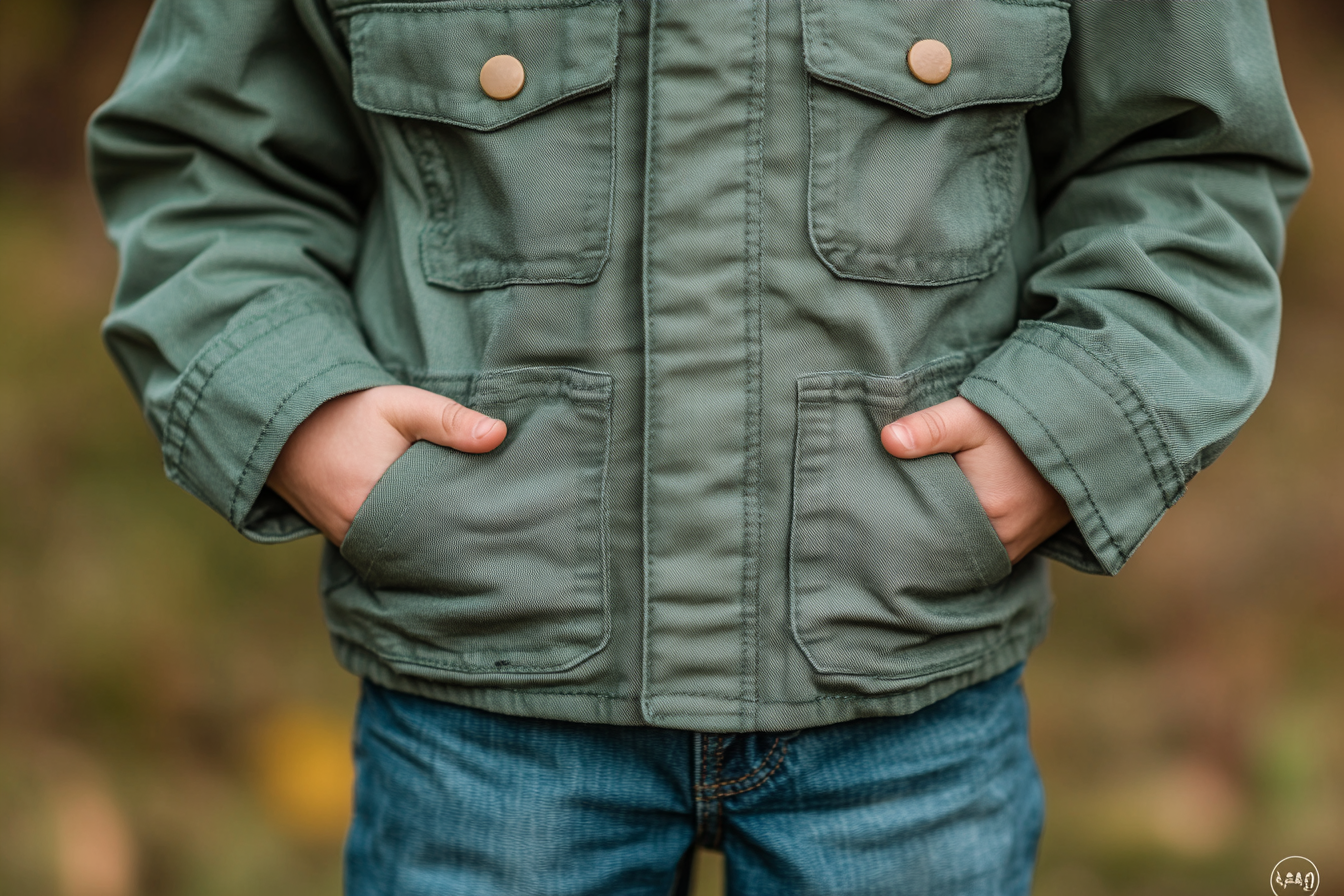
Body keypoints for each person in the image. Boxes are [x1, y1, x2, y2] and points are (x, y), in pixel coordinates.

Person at [88, 1, 1310, 893]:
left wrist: (1055, 437)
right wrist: (306, 421)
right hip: (482, 702)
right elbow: (210, 169)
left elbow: (1186, 167)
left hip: (907, 686)